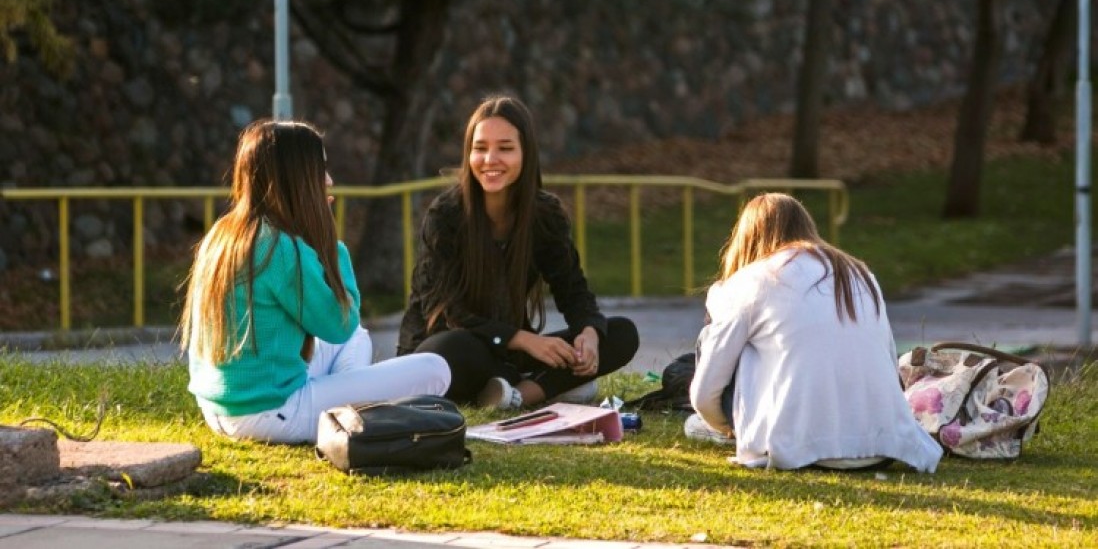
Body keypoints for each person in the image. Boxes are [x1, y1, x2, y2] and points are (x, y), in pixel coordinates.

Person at [181, 119, 451, 444]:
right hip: (271, 415)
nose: (329, 180)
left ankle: (346, 411)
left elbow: (342, 335)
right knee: (436, 369)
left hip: (218, 412)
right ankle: (349, 419)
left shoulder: (223, 235)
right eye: (320, 170)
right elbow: (340, 322)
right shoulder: (283, 249)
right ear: (297, 179)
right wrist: (332, 246)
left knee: (356, 340)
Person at [398, 95, 639, 409]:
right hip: (442, 350)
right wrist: (524, 340)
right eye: (480, 148)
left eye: (505, 148)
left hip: (506, 354)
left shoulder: (545, 215)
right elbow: (446, 312)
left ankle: (521, 394)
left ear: (526, 153)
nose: (490, 159)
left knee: (621, 333)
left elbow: (573, 289)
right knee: (454, 348)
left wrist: (589, 331)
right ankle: (540, 384)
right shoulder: (445, 215)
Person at [686, 192, 942, 472]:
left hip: (798, 446)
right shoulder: (860, 273)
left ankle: (732, 429)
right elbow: (889, 361)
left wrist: (722, 425)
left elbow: (704, 393)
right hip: (885, 446)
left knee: (716, 339)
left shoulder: (752, 279)